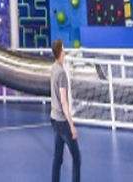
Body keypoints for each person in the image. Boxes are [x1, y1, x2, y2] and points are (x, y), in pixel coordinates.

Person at [50, 39, 80, 182]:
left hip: (54, 119)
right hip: (62, 121)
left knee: (58, 157)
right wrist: (72, 126)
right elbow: (63, 101)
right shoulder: (61, 73)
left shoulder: (53, 68)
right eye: (63, 48)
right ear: (61, 52)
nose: (65, 51)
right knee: (77, 157)